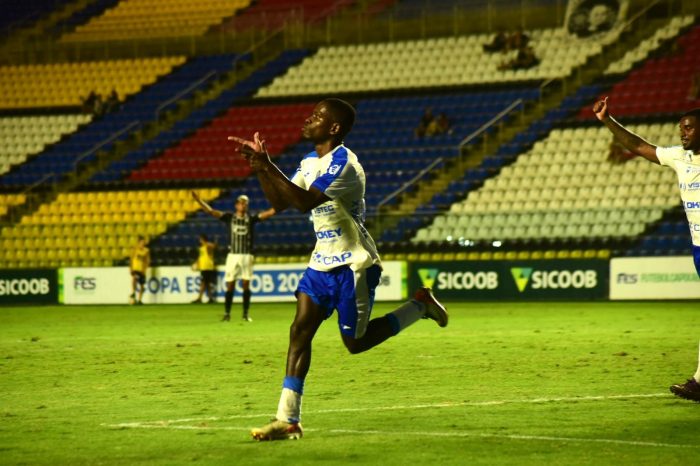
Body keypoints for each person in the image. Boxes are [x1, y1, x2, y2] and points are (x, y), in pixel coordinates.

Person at [229, 98, 449, 441]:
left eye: (317, 116)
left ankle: (419, 306)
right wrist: (261, 167)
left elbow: (303, 202)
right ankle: (288, 419)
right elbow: (280, 202)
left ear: (333, 128)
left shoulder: (344, 163)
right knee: (299, 332)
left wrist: (268, 164)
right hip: (321, 262)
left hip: (353, 264)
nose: (308, 118)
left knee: (355, 343)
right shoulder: (309, 162)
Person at [593, 97, 700, 402]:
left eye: (689, 128)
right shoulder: (680, 157)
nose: (683, 133)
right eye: (681, 128)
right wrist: (607, 120)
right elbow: (639, 146)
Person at [191, 191, 275, 322]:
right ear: (236, 205)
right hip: (233, 255)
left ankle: (245, 314)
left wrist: (284, 201)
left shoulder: (251, 219)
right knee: (230, 285)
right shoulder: (229, 217)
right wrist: (199, 201)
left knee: (246, 284)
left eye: (245, 203)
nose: (243, 205)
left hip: (247, 255)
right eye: (241, 203)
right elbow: (211, 211)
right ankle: (227, 313)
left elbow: (269, 213)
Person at [191, 234, 217, 304]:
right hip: (203, 267)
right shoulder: (201, 248)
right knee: (207, 283)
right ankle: (211, 298)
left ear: (202, 239)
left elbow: (214, 246)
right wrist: (196, 263)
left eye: (200, 239)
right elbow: (200, 257)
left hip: (207, 266)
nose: (199, 241)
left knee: (203, 282)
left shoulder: (208, 246)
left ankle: (199, 298)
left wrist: (206, 242)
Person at [129, 236, 150, 305]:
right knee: (134, 278)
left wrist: (145, 269)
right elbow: (131, 259)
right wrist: (131, 268)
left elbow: (147, 261)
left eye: (143, 243)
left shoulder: (146, 251)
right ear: (138, 243)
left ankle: (139, 300)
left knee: (142, 286)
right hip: (136, 269)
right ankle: (133, 292)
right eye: (141, 243)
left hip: (142, 269)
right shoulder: (135, 250)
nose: (142, 244)